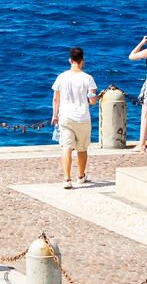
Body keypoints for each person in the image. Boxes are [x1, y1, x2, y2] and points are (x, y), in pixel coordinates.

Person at [51, 46, 97, 188]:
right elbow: (93, 101)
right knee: (82, 149)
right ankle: (81, 176)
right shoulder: (88, 78)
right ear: (82, 61)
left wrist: (54, 115)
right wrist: (89, 98)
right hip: (83, 117)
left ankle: (66, 179)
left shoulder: (61, 77)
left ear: (70, 60)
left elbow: (55, 99)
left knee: (66, 147)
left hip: (65, 117)